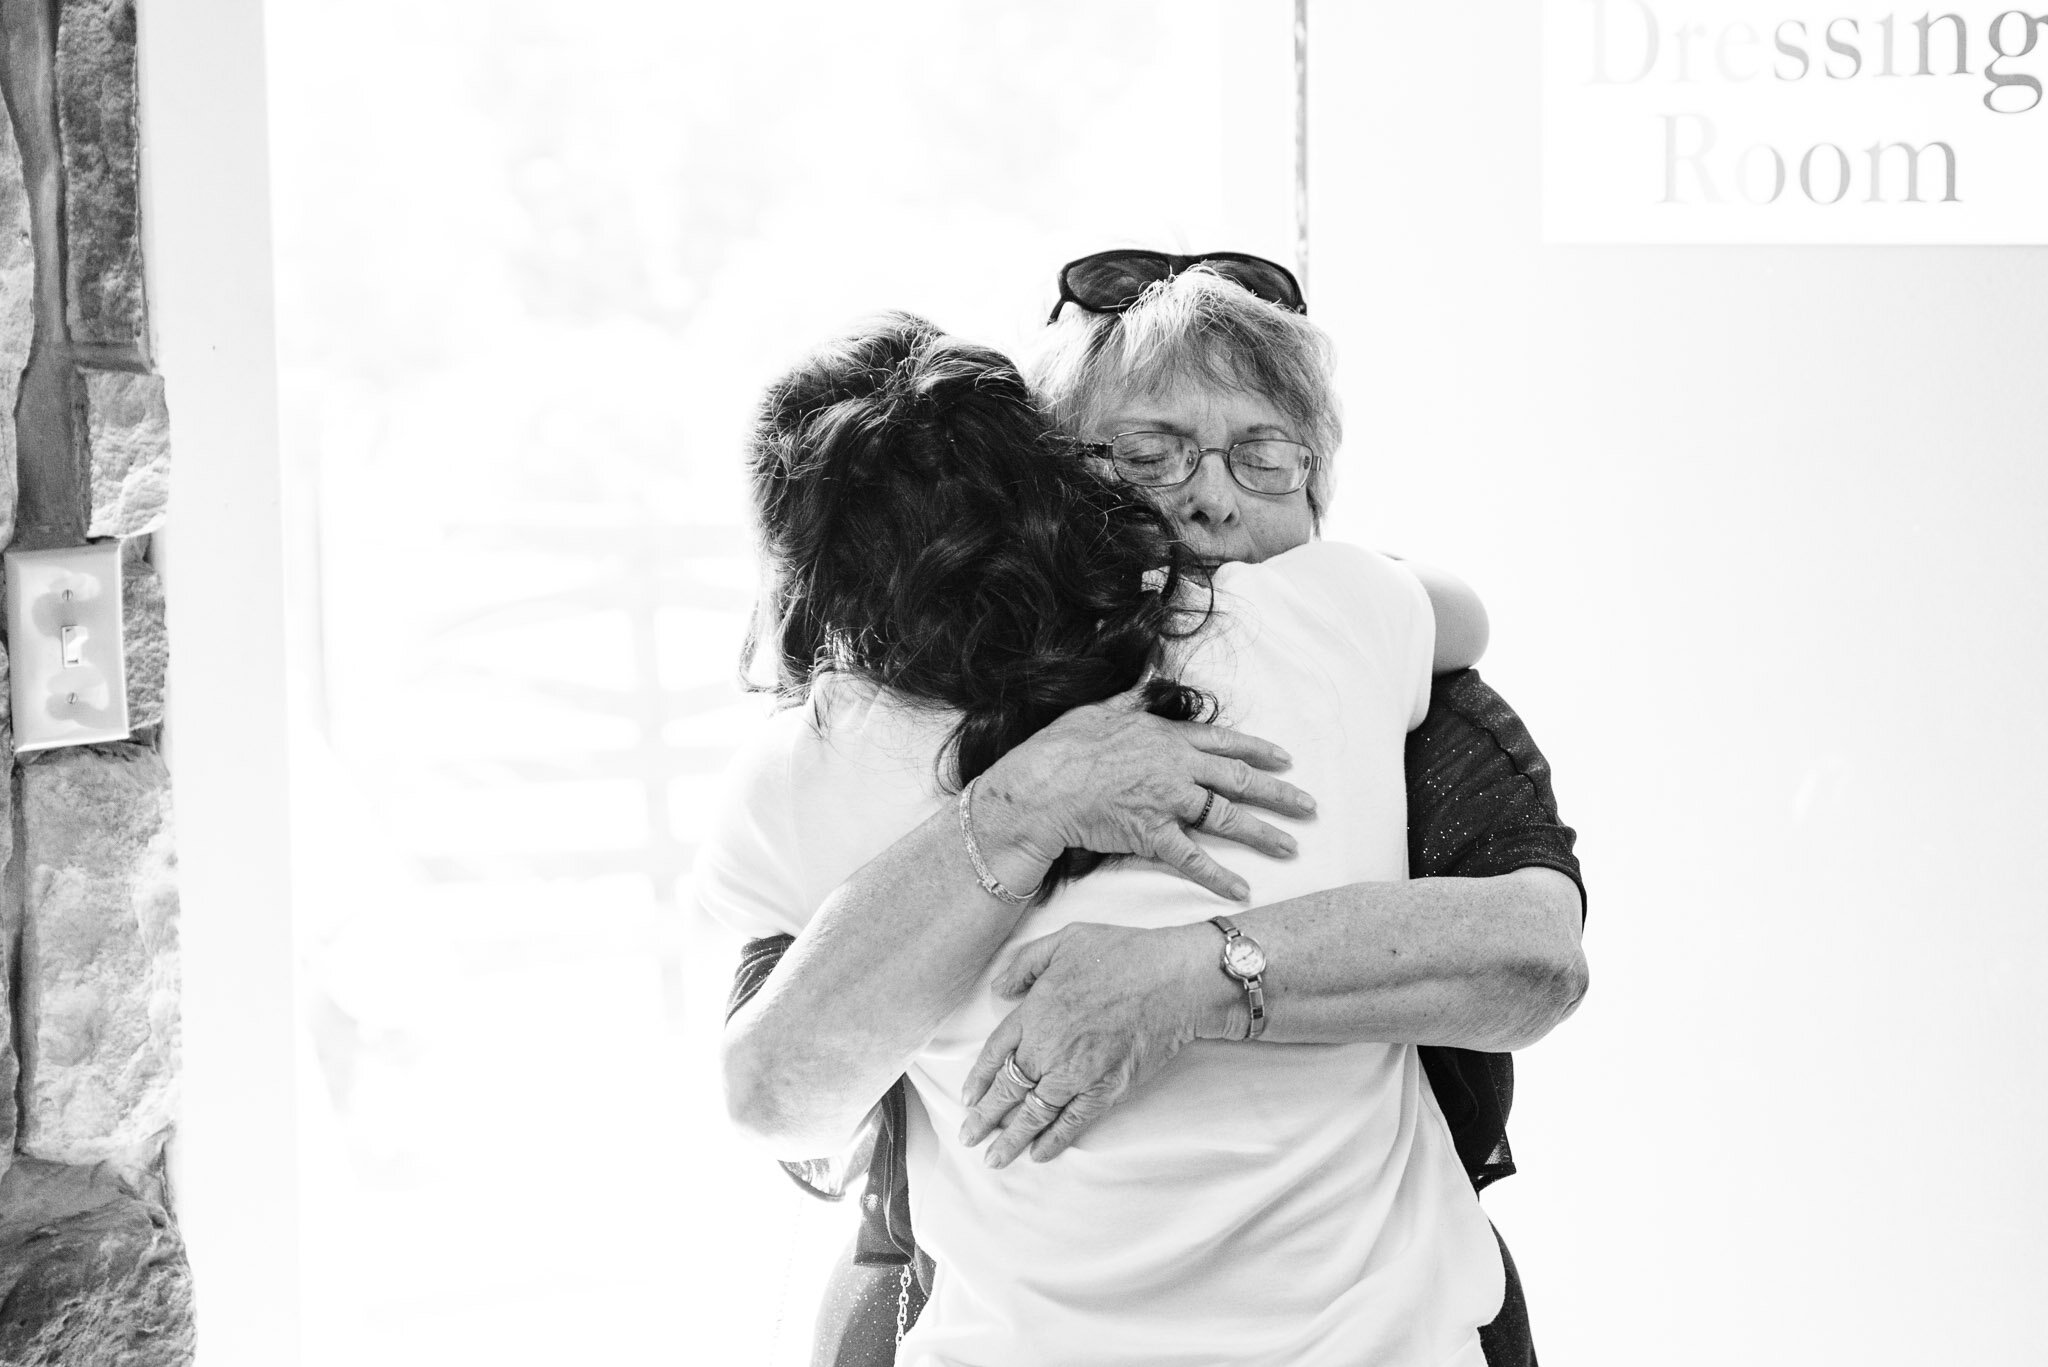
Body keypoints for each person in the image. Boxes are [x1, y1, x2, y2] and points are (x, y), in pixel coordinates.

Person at [718, 255, 1587, 1367]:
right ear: (1063, 486)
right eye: (1148, 452)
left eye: (1262, 454)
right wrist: (1020, 806)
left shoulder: (1388, 670)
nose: (1208, 497)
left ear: (1321, 492)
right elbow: (780, 1092)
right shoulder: (897, 718)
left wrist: (1193, 972)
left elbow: (1533, 956)